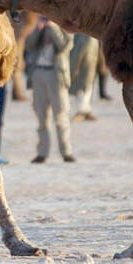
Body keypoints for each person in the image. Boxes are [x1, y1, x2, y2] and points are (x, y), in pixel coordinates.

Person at [25, 16, 75, 163]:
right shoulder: (39, 25)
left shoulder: (65, 26)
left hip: (56, 75)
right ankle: (42, 153)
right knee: (41, 117)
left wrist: (53, 27)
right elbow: (29, 46)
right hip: (38, 74)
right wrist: (37, 29)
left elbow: (63, 46)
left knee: (60, 116)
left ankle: (66, 152)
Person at [69, 32, 100, 121]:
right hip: (91, 65)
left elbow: (78, 53)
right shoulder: (93, 35)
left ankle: (82, 111)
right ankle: (85, 110)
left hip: (84, 66)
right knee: (86, 89)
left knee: (82, 90)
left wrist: (73, 67)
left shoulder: (82, 35)